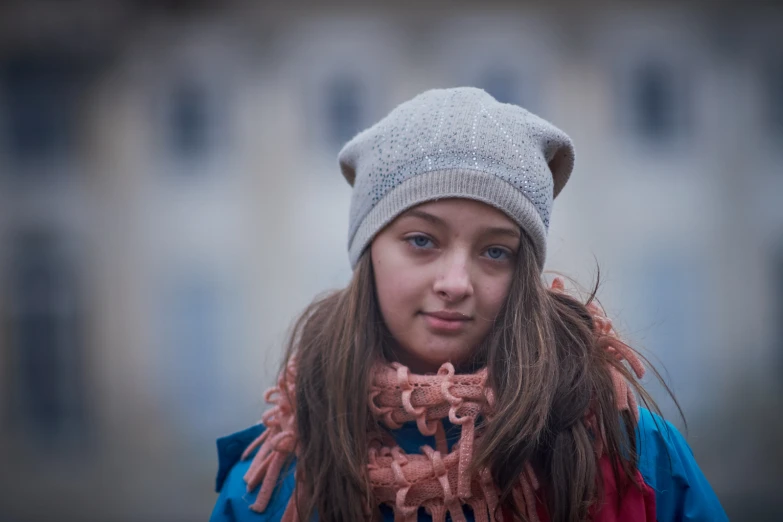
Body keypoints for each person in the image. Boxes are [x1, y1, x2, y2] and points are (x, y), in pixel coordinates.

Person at [209, 87, 728, 522]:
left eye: (495, 251)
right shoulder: (274, 480)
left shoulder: (626, 449)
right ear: (369, 253)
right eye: (421, 240)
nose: (456, 282)